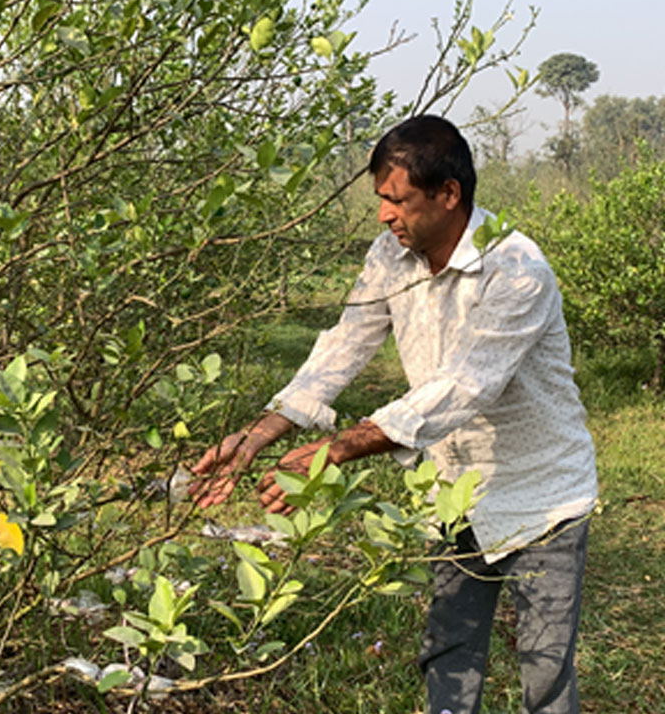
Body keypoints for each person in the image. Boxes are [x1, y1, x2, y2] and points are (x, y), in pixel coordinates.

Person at [190, 115, 598, 714]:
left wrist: (339, 448)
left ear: (448, 195)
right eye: (381, 200)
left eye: (397, 201)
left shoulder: (516, 271)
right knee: (449, 653)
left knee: (545, 668)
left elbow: (462, 389)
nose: (385, 216)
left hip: (543, 496)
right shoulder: (391, 255)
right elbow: (343, 345)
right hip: (453, 491)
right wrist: (257, 435)